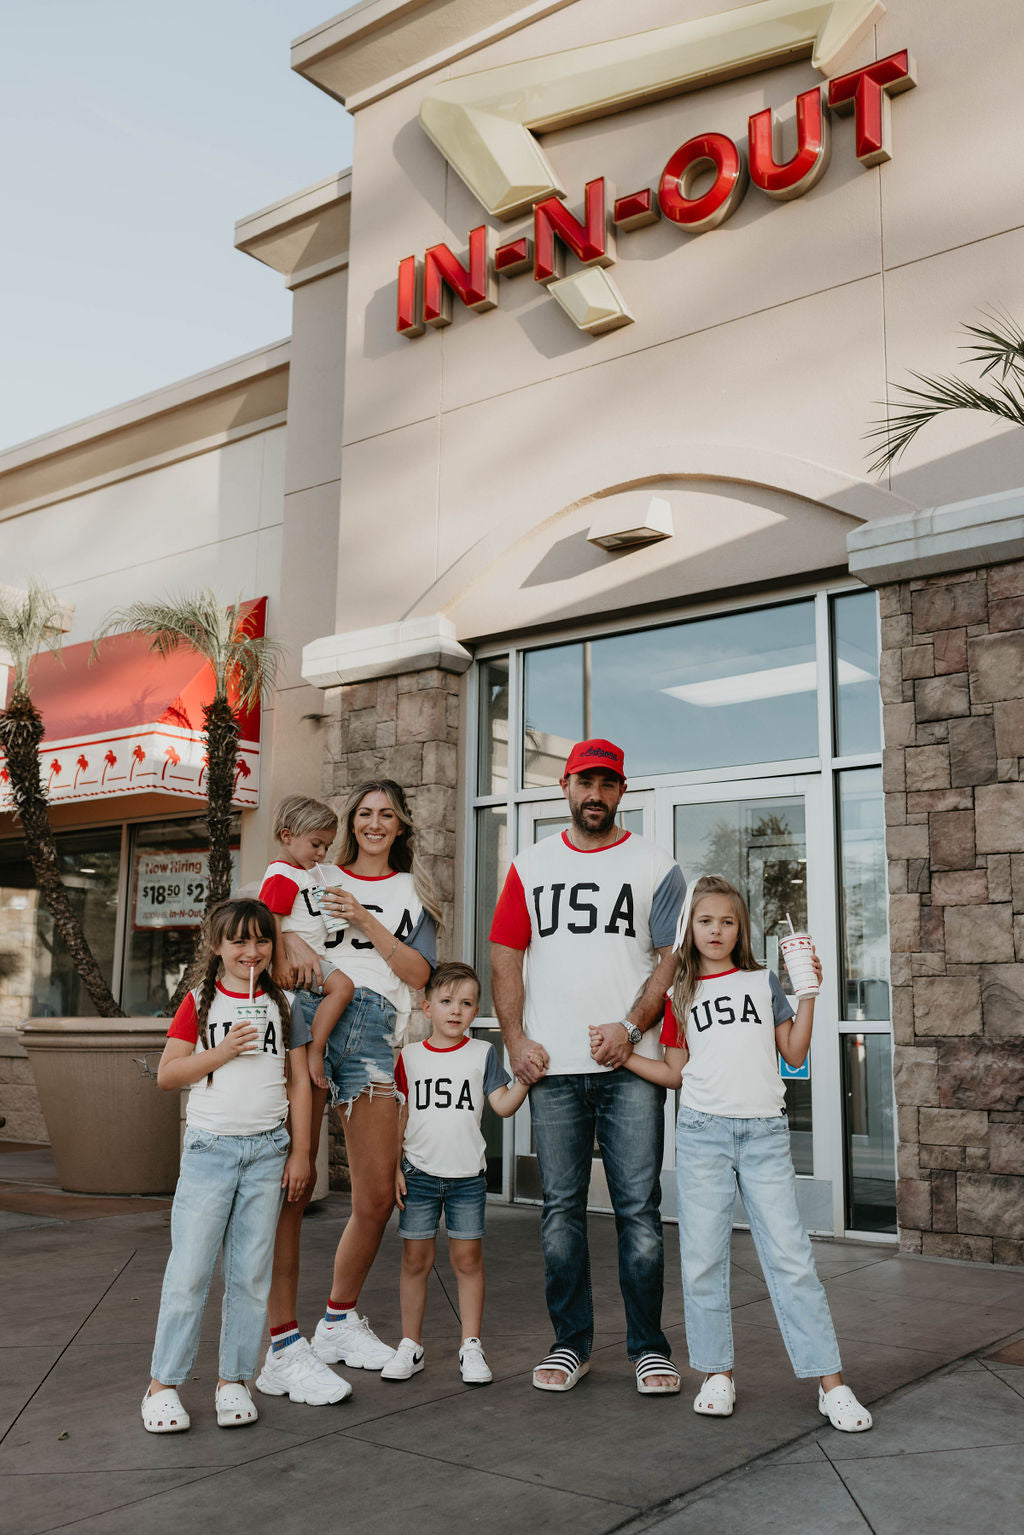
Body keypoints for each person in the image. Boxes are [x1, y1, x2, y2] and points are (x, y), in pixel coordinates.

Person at [614, 874, 872, 1432]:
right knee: (704, 1258)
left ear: (740, 929)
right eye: (705, 920)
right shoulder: (680, 994)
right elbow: (676, 1075)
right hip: (703, 1132)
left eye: (727, 922)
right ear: (690, 928)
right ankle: (717, 1374)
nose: (716, 930)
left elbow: (794, 1052)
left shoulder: (761, 982)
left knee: (791, 1257)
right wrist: (625, 1058)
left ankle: (831, 1383)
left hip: (763, 1134)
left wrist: (808, 997)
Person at [489, 738, 685, 1395]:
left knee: (639, 1211)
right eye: (583, 781)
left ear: (621, 791)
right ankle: (570, 1342)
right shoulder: (528, 866)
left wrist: (630, 1031)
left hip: (631, 1068)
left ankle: (648, 1346)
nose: (594, 793)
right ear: (565, 786)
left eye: (607, 782)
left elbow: (669, 959)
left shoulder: (657, 865)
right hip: (553, 1068)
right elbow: (504, 959)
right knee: (560, 1213)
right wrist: (515, 1040)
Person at [255, 779, 440, 1405]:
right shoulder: (315, 866)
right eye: (364, 813)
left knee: (377, 1195)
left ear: (402, 825)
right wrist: (291, 944)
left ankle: (335, 1322)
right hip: (318, 1018)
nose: (373, 823)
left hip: (373, 1031)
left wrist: (365, 920)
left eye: (387, 814)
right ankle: (281, 1345)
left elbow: (422, 977)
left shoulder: (413, 892)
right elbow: (273, 935)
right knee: (290, 1183)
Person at [141, 899, 312, 1434]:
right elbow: (169, 1074)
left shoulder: (285, 1004)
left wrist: (301, 1152)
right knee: (190, 1271)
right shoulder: (200, 1001)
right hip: (210, 1151)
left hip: (267, 1152)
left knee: (251, 1274)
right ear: (217, 946)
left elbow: (299, 1081)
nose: (251, 951)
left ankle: (234, 1379)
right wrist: (222, 1052)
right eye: (238, 941)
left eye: (261, 940)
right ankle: (163, 1385)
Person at [383, 961, 530, 1386]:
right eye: (446, 1002)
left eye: (466, 1003)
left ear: (475, 1009)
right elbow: (401, 1115)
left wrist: (525, 1079)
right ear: (427, 1007)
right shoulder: (409, 1057)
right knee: (415, 1260)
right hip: (419, 1174)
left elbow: (502, 1105)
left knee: (467, 1260)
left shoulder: (483, 1053)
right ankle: (411, 1345)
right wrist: (394, 1167)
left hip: (467, 1178)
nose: (456, 1010)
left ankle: (471, 1345)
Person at [259, 794, 355, 1090]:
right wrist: (280, 962)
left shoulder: (304, 874)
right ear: (287, 836)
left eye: (327, 846)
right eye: (316, 844)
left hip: (314, 959)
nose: (322, 853)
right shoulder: (282, 874)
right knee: (344, 987)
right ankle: (315, 1049)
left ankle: (314, 1048)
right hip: (299, 966)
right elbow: (271, 919)